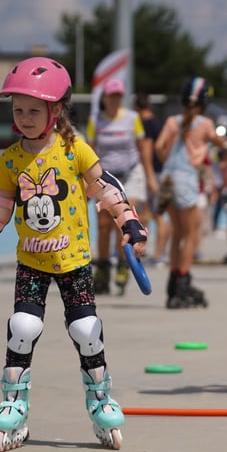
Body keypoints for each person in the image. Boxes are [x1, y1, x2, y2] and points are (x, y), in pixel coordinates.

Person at [0, 57, 148, 452]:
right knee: (23, 327)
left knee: (86, 331)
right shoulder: (11, 159)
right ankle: (14, 404)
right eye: (18, 109)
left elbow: (104, 186)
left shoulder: (73, 148)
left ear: (55, 111)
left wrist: (128, 221)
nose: (24, 117)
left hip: (74, 260)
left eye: (33, 110)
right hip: (31, 261)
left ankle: (99, 401)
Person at [155, 76, 225, 309]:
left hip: (168, 178)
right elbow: (220, 142)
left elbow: (158, 147)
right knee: (191, 235)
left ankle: (173, 280)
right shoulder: (204, 124)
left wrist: (168, 164)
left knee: (177, 233)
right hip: (186, 180)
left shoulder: (172, 121)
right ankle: (183, 279)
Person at [88, 78, 156, 295]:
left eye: (118, 95)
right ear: (105, 97)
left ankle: (124, 265)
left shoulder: (132, 118)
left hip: (130, 173)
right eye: (111, 96)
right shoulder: (95, 120)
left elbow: (144, 149)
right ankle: (103, 268)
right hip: (105, 175)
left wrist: (150, 176)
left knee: (126, 218)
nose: (115, 100)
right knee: (103, 224)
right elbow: (88, 152)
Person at [133, 92, 170, 266]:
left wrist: (148, 176)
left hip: (150, 174)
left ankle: (154, 254)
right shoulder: (159, 123)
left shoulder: (144, 124)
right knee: (151, 213)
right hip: (162, 171)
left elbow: (146, 150)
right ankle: (157, 254)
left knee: (154, 215)